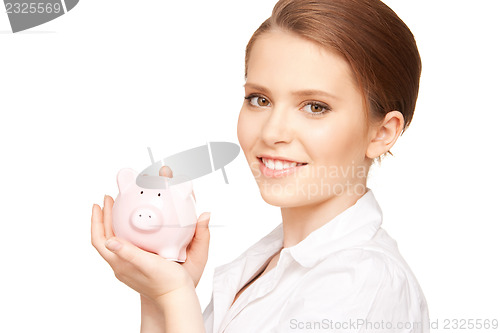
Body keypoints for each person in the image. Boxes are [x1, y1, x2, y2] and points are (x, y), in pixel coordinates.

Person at [91, 0, 429, 332]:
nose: (272, 132)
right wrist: (159, 293)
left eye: (314, 107)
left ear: (382, 133)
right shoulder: (268, 261)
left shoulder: (362, 281)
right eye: (260, 100)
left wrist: (175, 295)